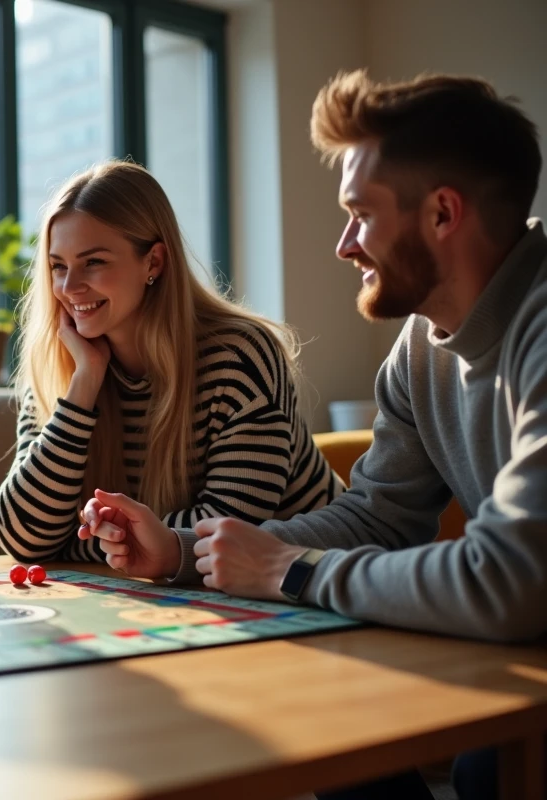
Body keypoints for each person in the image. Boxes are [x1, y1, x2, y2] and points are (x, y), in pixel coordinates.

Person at [80, 70, 543, 800]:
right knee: (342, 743)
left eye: (359, 213)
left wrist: (288, 570)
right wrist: (182, 550)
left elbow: (512, 581)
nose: (343, 245)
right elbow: (378, 519)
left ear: (443, 215)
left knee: (493, 769)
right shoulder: (420, 353)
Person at [0, 160, 343, 565]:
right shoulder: (64, 368)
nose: (69, 287)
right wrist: (85, 382)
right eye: (58, 266)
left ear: (153, 262)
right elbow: (23, 538)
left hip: (321, 580)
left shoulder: (239, 357)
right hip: (195, 597)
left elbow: (227, 531)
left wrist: (80, 542)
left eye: (94, 262)